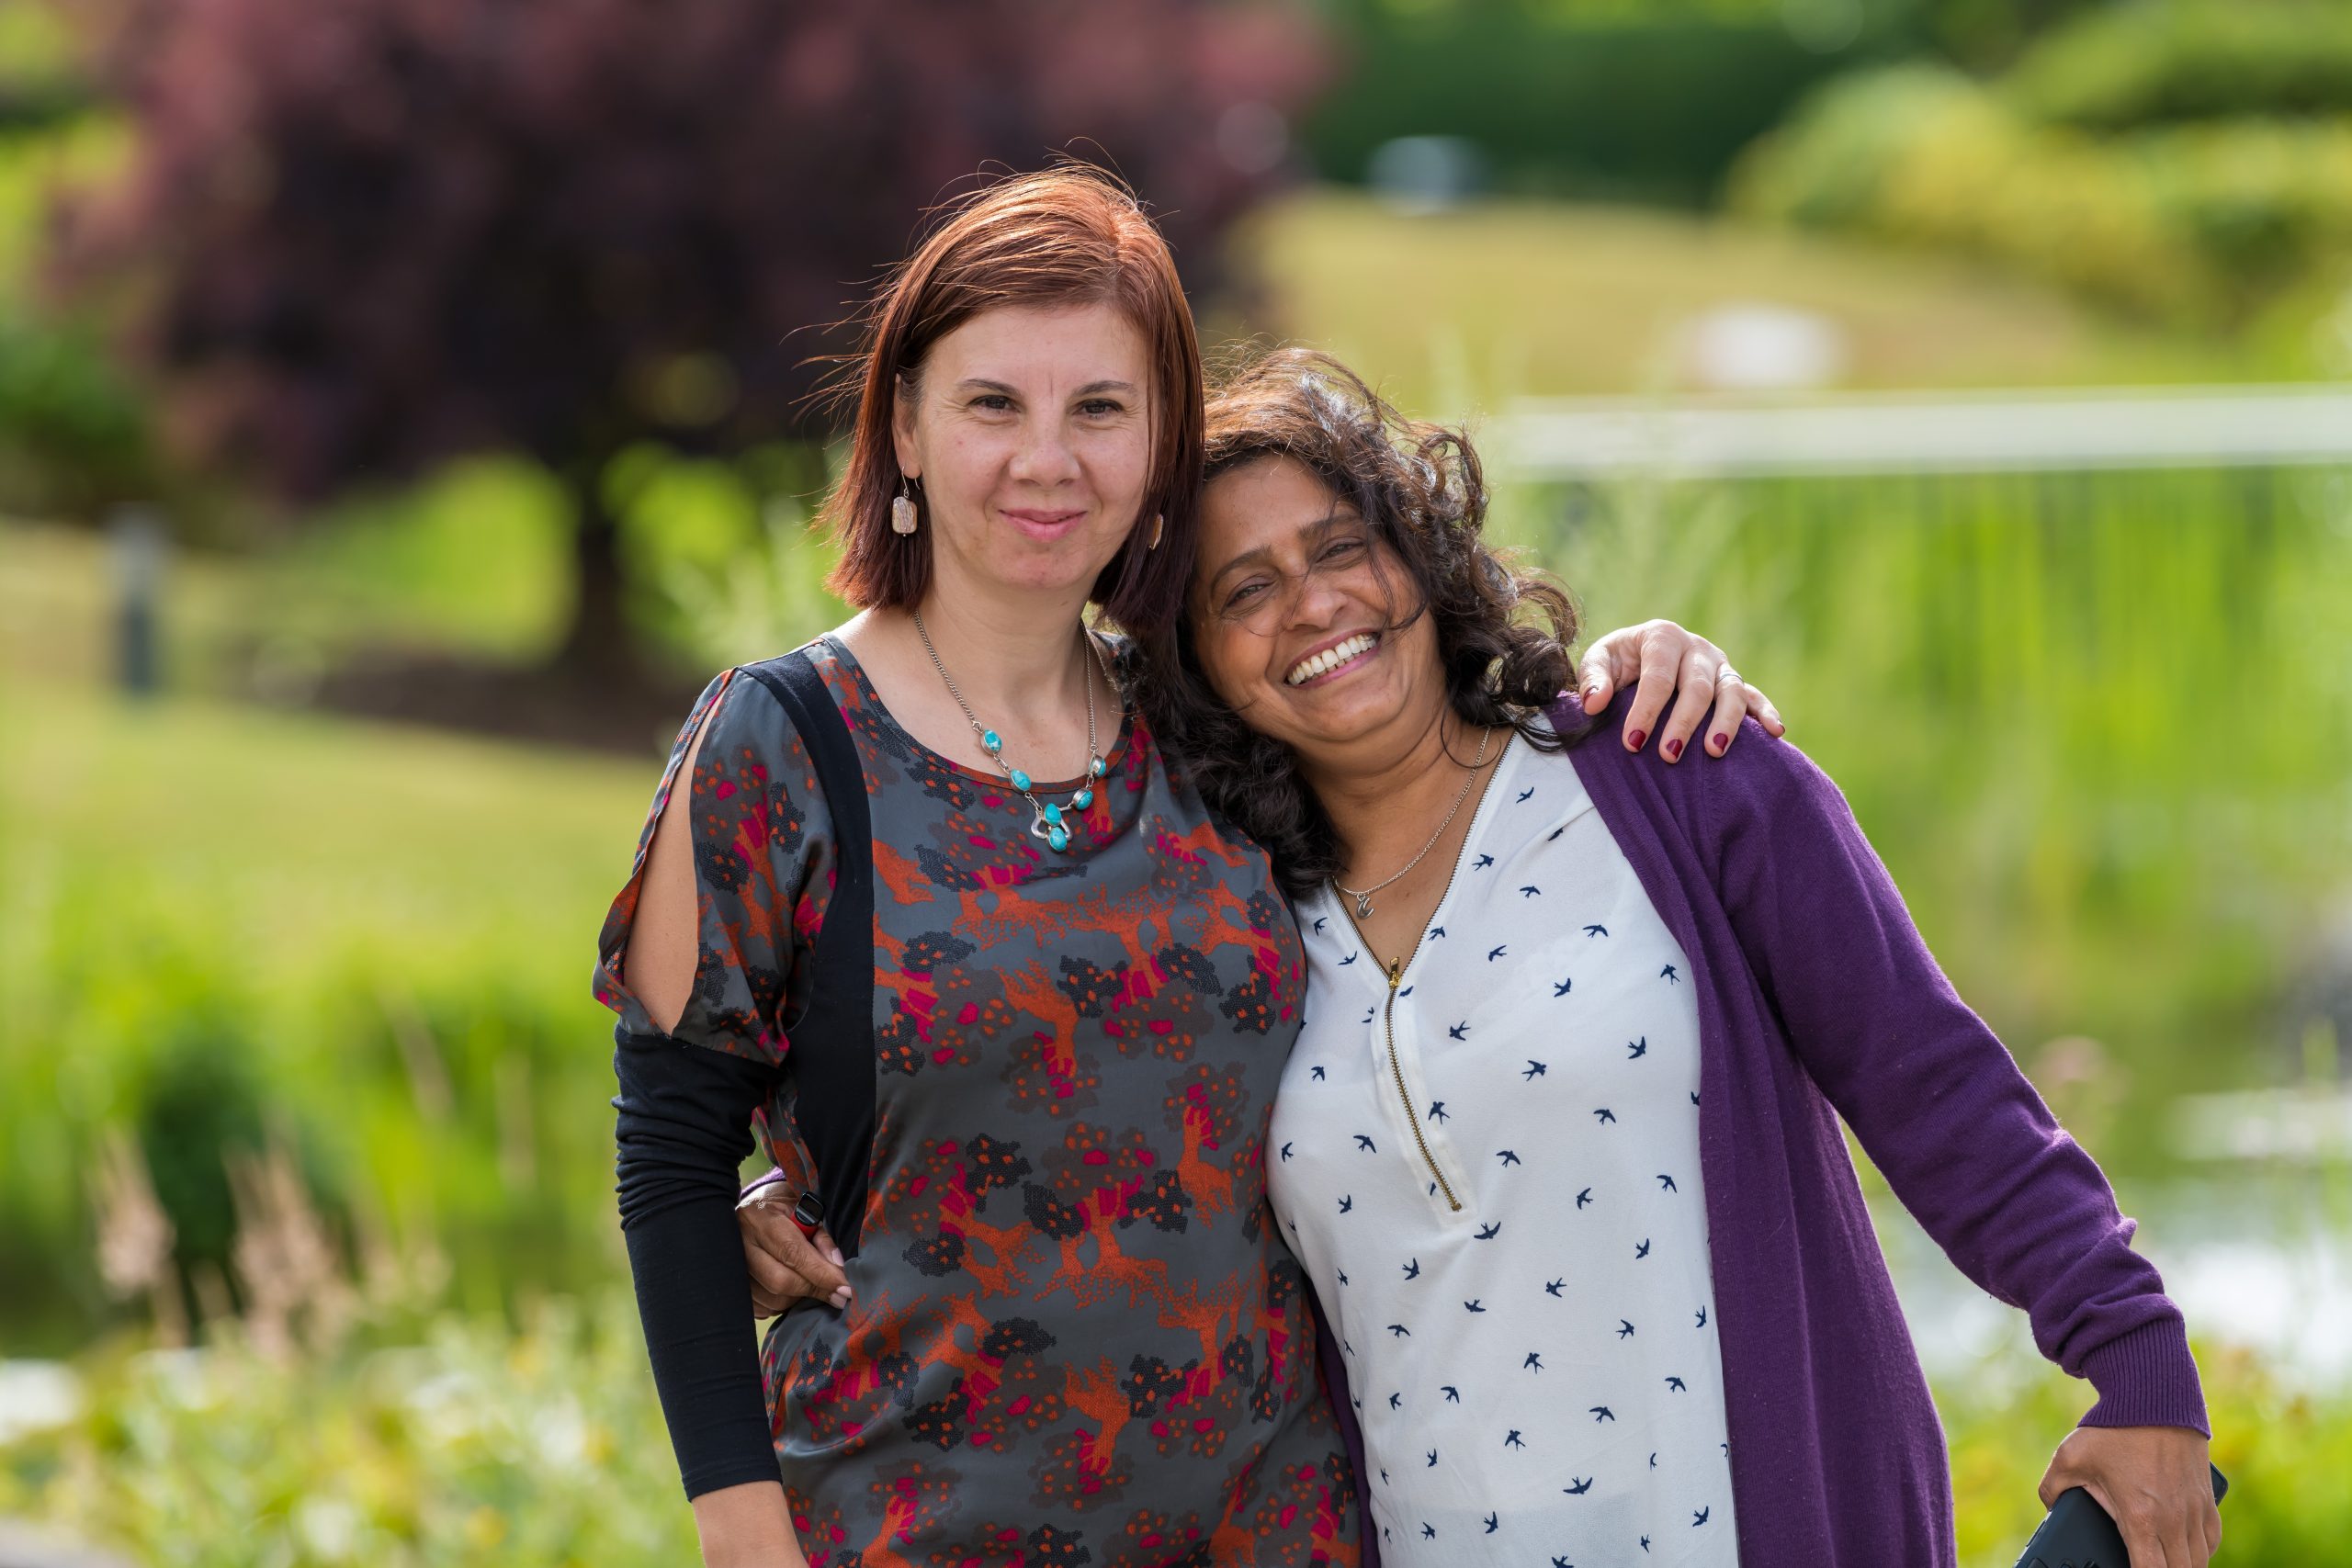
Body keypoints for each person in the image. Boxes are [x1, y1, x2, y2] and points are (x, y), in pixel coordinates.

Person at [741, 348, 2222, 1568]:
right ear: (1195, 657)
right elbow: (1067, 1145)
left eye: (1343, 547)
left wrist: (2137, 1359)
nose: (1314, 605)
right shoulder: (1232, 920)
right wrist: (800, 1199)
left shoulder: (1679, 776)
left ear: (1422, 551)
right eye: (1243, 591)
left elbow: (1943, 1095)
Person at [601, 168, 1773, 1568]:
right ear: (903, 424)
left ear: (1161, 445)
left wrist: (1624, 675)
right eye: (993, 405)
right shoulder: (777, 744)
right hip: (905, 1524)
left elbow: (1447, 799)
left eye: (1101, 407)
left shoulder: (1212, 717)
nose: (1051, 460)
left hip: (1280, 1528)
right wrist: (744, 1537)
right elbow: (671, 1161)